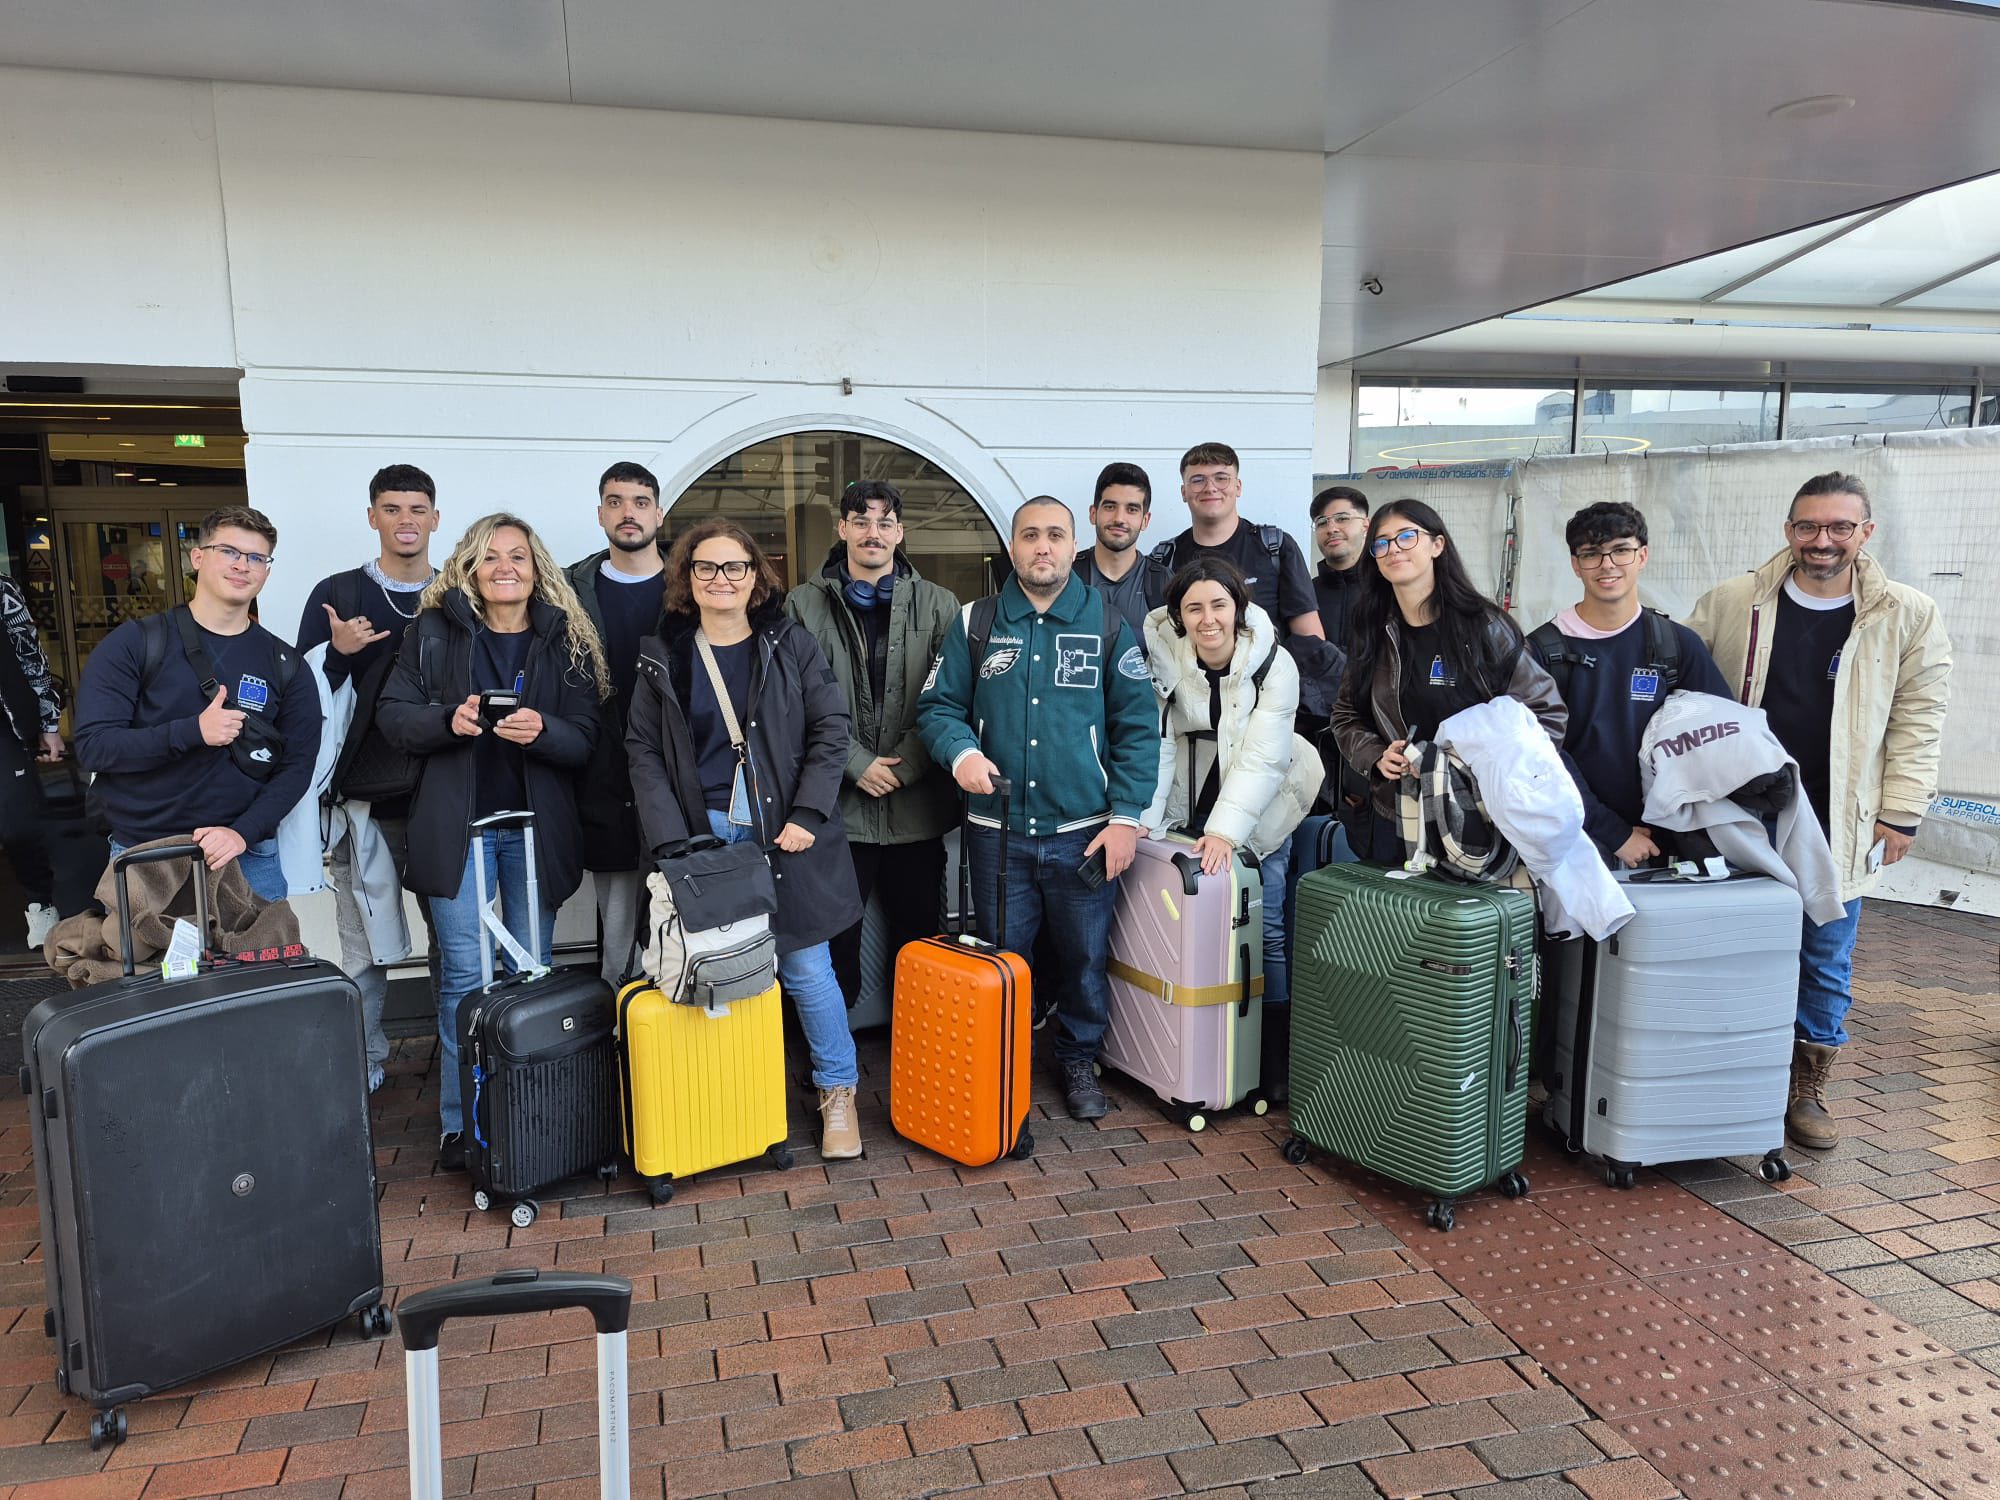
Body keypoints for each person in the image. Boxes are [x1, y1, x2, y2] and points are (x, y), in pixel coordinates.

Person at [1687, 472, 1950, 1151]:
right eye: (1808, 526)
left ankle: (1806, 1088)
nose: (1822, 540)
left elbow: (1919, 718)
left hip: (1841, 812)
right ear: (1789, 530)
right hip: (1739, 812)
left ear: (1866, 532)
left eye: (1840, 527)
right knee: (1730, 947)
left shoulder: (1906, 613)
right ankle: (1727, 1072)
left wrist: (1902, 811)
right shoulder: (1735, 601)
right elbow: (1683, 692)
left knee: (1825, 952)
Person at [626, 519, 868, 1160]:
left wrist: (809, 813)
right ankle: (725, 1102)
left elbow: (831, 729)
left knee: (807, 969)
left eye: (734, 567)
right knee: (711, 973)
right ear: (687, 579)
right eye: (705, 567)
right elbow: (643, 752)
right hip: (704, 836)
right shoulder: (664, 655)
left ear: (756, 576)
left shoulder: (790, 642)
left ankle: (838, 1093)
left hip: (784, 832)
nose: (721, 579)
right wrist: (673, 843)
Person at [916, 497, 1159, 1120]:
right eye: (1029, 535)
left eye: (1054, 535)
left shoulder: (1107, 624)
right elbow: (938, 708)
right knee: (1003, 957)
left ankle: (1078, 1058)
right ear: (1012, 547)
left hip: (1084, 835)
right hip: (996, 836)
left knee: (1083, 960)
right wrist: (961, 752)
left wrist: (1126, 818)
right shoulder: (977, 621)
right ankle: (1006, 1062)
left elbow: (1137, 728)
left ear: (1073, 546)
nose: (1042, 546)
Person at [375, 513, 605, 1170]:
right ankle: (465, 1126)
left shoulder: (564, 636)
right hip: (459, 830)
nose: (505, 566)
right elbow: (393, 719)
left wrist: (544, 732)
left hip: (535, 830)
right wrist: (448, 721)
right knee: (464, 981)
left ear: (537, 569)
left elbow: (587, 738)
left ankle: (532, 1119)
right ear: (470, 568)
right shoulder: (433, 631)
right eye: (491, 556)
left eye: (518, 556)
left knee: (531, 976)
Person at [74, 506, 322, 902]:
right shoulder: (135, 643)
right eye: (229, 551)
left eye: (256, 557)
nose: (242, 565)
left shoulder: (286, 664)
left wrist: (241, 832)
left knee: (264, 948)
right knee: (145, 948)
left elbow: (297, 766)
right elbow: (95, 748)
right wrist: (194, 732)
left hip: (247, 856)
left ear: (266, 571)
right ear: (197, 557)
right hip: (147, 855)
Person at [1141, 559, 1318, 1097]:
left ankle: (1272, 1060)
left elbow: (1264, 758)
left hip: (1265, 803)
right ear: (1179, 616)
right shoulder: (1164, 658)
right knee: (1194, 921)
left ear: (1238, 607)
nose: (1208, 618)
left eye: (1219, 604)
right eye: (1193, 608)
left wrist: (1225, 833)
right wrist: (1145, 821)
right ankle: (1206, 1050)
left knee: (1264, 927)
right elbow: (1157, 742)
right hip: (1192, 798)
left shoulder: (1274, 663)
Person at [783, 480, 958, 1010]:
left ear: (900, 532)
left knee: (922, 946)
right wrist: (855, 763)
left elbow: (953, 697)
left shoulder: (939, 605)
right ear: (843, 529)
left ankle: (922, 1046)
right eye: (861, 521)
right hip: (838, 812)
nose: (872, 533)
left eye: (885, 522)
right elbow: (792, 705)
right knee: (834, 951)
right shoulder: (801, 605)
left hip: (917, 810)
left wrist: (904, 767)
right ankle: (835, 1053)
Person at [296, 463, 442, 1092]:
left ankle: (461, 1058)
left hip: (440, 795)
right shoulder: (339, 593)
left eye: (417, 509)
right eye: (392, 508)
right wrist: (337, 654)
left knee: (453, 938)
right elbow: (301, 698)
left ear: (435, 518)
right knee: (362, 947)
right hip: (361, 801)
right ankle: (365, 1063)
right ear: (372, 516)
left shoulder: (458, 593)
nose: (405, 521)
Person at [1330, 500, 1565, 865]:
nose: (1394, 549)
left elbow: (1545, 714)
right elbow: (1346, 715)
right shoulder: (1372, 629)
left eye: (1407, 536)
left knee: (1466, 904)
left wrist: (1476, 771)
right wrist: (1376, 755)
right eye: (1382, 542)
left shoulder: (1484, 626)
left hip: (1481, 813)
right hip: (1398, 812)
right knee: (1396, 902)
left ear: (1437, 545)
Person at [1527, 501, 1732, 868]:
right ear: (1575, 564)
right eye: (1592, 554)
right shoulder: (1541, 651)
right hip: (1578, 845)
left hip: (1673, 845)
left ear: (1643, 556)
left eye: (1621, 550)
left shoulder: (1677, 644)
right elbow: (1537, 757)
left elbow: (1720, 736)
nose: (1607, 564)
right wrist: (1614, 833)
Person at [564, 461, 667, 988]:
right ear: (600, 513)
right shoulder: (567, 590)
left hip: (676, 771)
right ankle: (620, 1020)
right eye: (616, 502)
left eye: (640, 502)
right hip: (602, 771)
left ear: (659, 514)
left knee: (681, 916)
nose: (629, 513)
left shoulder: (691, 584)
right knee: (619, 923)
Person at [1149, 442, 1324, 641]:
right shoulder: (1165, 558)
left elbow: (1310, 640)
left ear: (1238, 487)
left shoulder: (1275, 548)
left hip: (1269, 662)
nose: (1210, 488)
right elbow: (1160, 638)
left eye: (1221, 478)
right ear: (1184, 492)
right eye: (1198, 480)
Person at [0, 575, 68, 946]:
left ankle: (40, 903)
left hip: (4, 724)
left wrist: (49, 722)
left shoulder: (2, 588)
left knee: (18, 822)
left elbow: (29, 653)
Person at [1072, 462, 1169, 638]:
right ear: (1093, 514)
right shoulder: (1067, 575)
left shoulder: (1163, 582)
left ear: (1145, 520)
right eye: (1110, 507)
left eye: (1132, 509)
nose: (1119, 518)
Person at [1310, 484, 1371, 650]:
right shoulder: (1306, 594)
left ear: (1366, 525)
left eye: (1342, 519)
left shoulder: (1389, 588)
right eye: (1322, 522)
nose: (1331, 529)